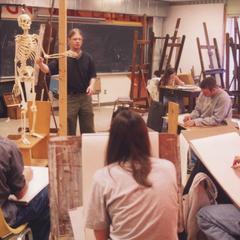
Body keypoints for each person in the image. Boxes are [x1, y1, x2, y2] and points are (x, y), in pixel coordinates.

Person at [85, 109, 179, 240]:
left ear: (113, 141)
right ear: (145, 138)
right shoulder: (168, 168)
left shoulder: (104, 177)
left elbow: (100, 234)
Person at [37, 28, 97, 135]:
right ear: (69, 40)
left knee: (88, 128)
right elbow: (47, 69)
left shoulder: (88, 58)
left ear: (82, 41)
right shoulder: (63, 57)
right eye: (74, 39)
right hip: (69, 98)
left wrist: (91, 85)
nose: (77, 41)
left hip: (85, 98)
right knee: (69, 130)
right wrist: (40, 64)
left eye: (79, 39)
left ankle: (88, 149)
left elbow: (93, 75)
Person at [0, 137, 50, 240]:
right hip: (4, 220)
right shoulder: (6, 147)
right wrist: (26, 176)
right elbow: (21, 193)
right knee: (46, 194)